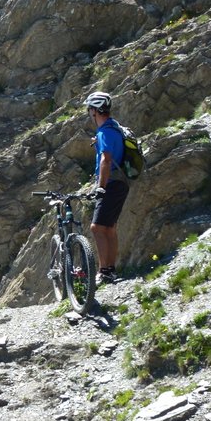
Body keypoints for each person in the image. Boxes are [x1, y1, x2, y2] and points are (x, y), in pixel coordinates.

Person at [85, 91, 130, 285]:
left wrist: (100, 187)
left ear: (95, 110)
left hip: (111, 183)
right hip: (122, 183)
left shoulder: (104, 132)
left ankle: (103, 271)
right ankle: (110, 269)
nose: (89, 113)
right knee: (110, 228)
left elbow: (106, 159)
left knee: (97, 228)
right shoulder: (115, 128)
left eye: (90, 109)